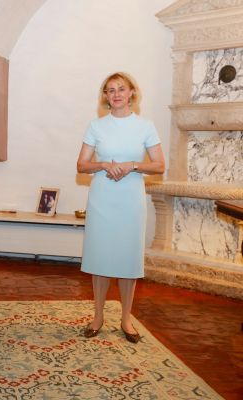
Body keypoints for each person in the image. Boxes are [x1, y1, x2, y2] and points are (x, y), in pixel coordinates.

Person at [76, 72, 165, 344]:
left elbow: (159, 165)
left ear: (131, 93)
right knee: (100, 258)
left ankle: (126, 319)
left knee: (128, 259)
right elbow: (82, 165)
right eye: (110, 90)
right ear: (105, 96)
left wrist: (132, 166)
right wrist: (104, 164)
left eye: (121, 89)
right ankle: (98, 317)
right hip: (102, 199)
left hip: (130, 201)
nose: (116, 94)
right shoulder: (96, 126)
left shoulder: (146, 126)